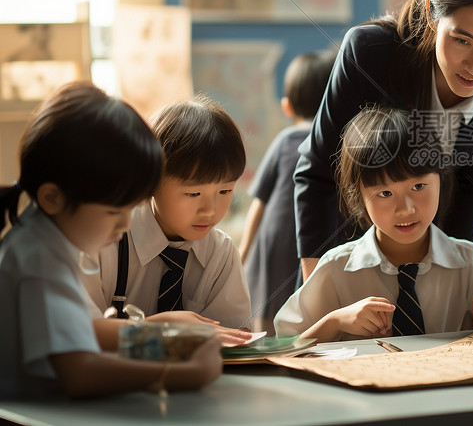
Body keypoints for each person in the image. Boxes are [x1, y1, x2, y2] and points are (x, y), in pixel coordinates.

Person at [295, 0, 473, 281]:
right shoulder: (369, 54)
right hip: (348, 254)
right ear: (431, 13)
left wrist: (453, 278)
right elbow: (317, 173)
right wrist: (319, 285)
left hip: (427, 262)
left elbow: (472, 182)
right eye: (462, 40)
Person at [0, 82, 221, 398]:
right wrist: (180, 374)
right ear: (53, 198)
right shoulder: (39, 258)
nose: (126, 223)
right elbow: (79, 373)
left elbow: (85, 331)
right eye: (113, 210)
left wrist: (168, 341)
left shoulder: (40, 241)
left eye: (132, 208)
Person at [274, 106, 473, 342]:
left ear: (441, 178)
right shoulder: (336, 269)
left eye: (418, 186)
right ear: (359, 195)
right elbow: (284, 344)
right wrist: (333, 322)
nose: (405, 209)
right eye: (384, 193)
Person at [84, 96, 253, 347]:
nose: (210, 210)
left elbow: (234, 341)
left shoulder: (220, 253)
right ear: (150, 180)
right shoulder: (103, 241)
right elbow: (76, 334)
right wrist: (162, 330)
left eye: (225, 191)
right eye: (193, 194)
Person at [239, 49, 336, 335]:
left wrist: (243, 252)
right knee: (306, 311)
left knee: (268, 313)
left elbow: (260, 202)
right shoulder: (339, 143)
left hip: (275, 242)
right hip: (319, 242)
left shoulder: (285, 141)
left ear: (287, 106)